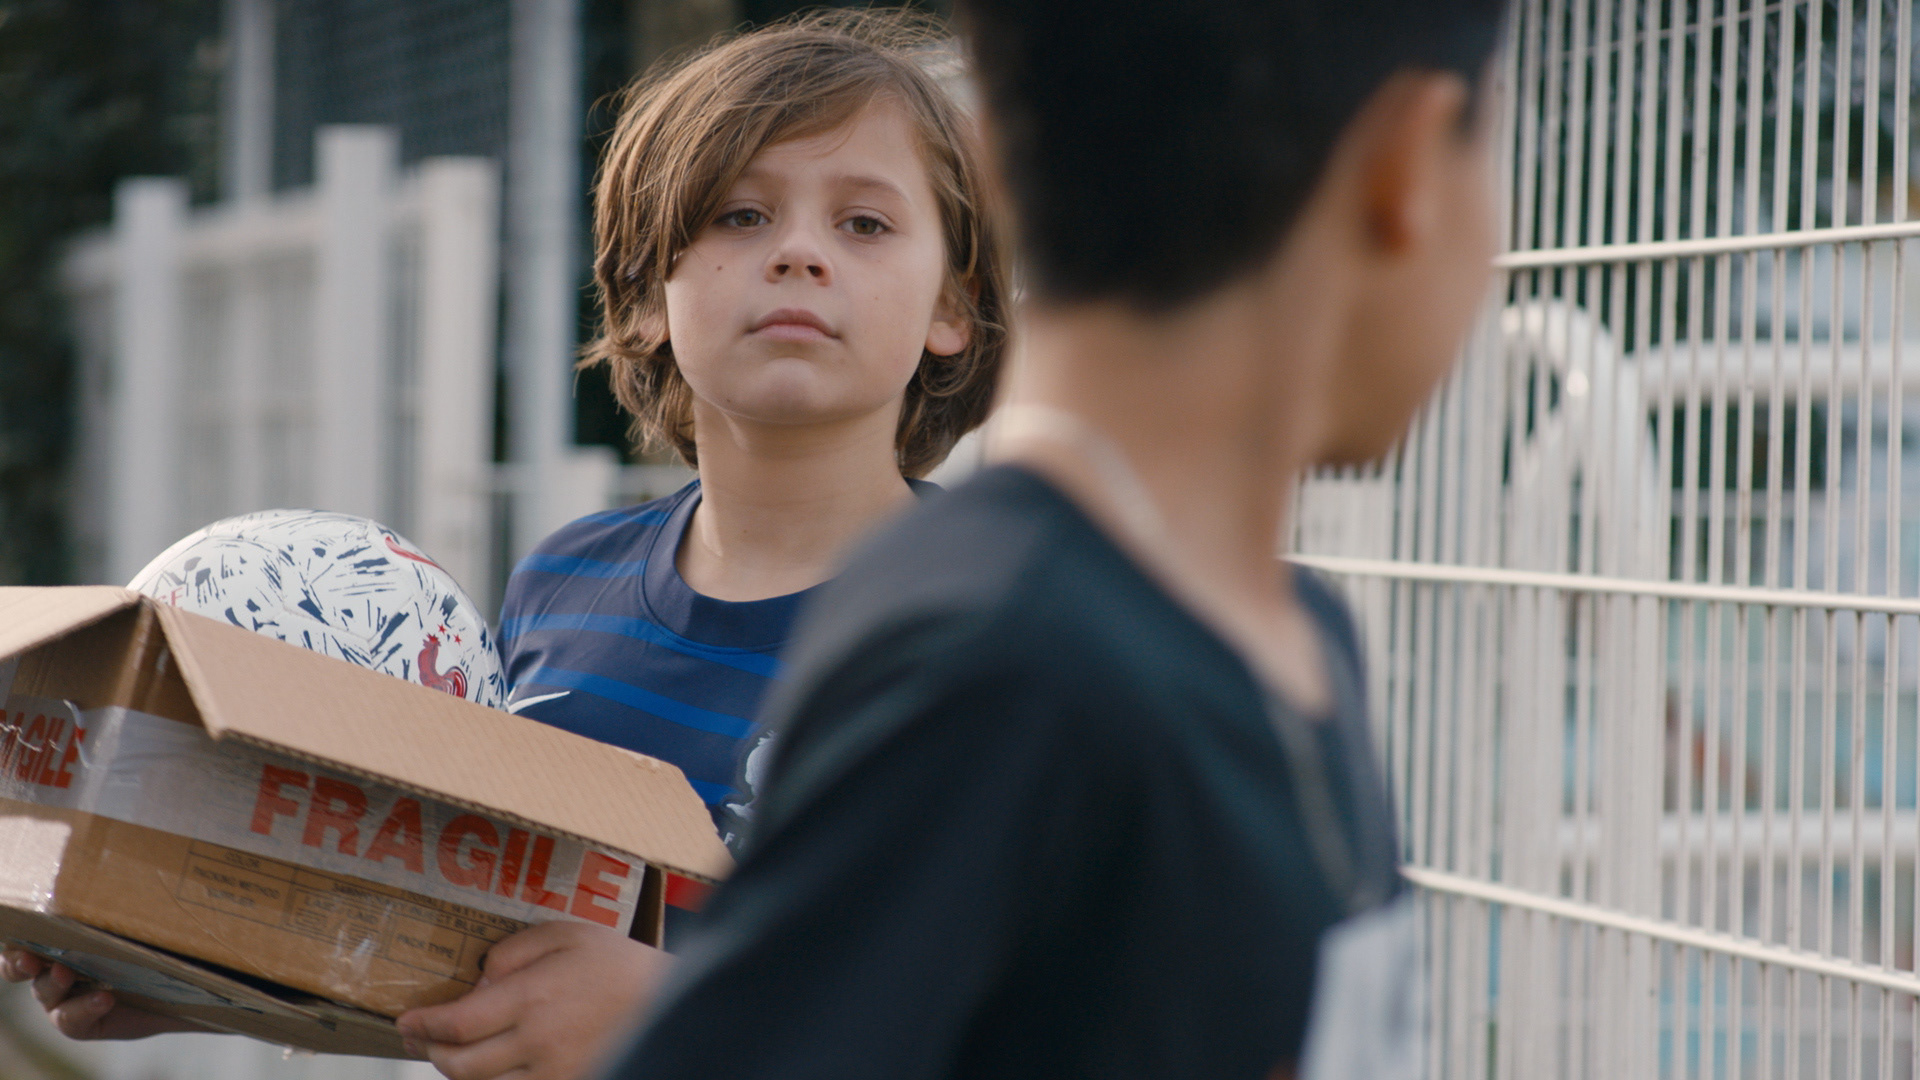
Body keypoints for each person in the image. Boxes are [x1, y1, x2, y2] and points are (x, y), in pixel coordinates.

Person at [603, 0, 1506, 1078]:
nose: (799, 253)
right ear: (1407, 167)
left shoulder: (1295, 629)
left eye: (865, 222)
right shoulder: (997, 662)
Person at [394, 12, 1007, 1080]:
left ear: (952, 304)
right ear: (645, 300)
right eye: (741, 214)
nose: (799, 252)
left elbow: (1028, 1005)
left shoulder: (1000, 625)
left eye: (865, 223)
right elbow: (458, 943)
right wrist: (172, 957)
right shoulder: (559, 581)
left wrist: (680, 1013)